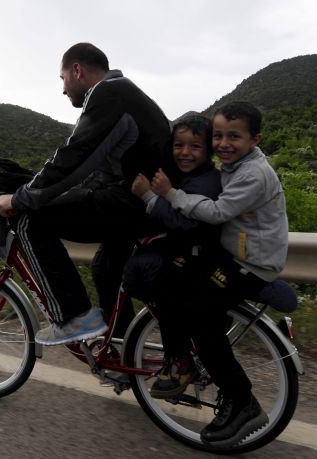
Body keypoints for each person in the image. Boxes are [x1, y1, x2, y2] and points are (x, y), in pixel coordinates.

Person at [0, 42, 170, 345]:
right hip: (148, 203)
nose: (63, 89)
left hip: (135, 202)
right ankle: (124, 348)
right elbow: (101, 169)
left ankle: (74, 317)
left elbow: (74, 158)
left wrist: (21, 198)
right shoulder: (125, 93)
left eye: (62, 78)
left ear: (77, 71)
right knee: (106, 268)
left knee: (31, 221)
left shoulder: (107, 93)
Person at [149, 101, 288, 446]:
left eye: (234, 137)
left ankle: (242, 402)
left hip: (250, 265)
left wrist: (169, 194)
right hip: (236, 256)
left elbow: (216, 211)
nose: (224, 144)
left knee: (201, 319)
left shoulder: (254, 174)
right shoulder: (236, 165)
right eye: (220, 136)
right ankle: (179, 362)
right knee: (171, 280)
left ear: (255, 138)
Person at [123, 112, 221, 398]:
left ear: (208, 150)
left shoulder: (207, 181)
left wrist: (150, 196)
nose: (185, 152)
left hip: (197, 256)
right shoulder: (191, 175)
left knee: (155, 276)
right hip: (190, 251)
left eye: (194, 146)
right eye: (179, 145)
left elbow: (186, 223)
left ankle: (179, 359)